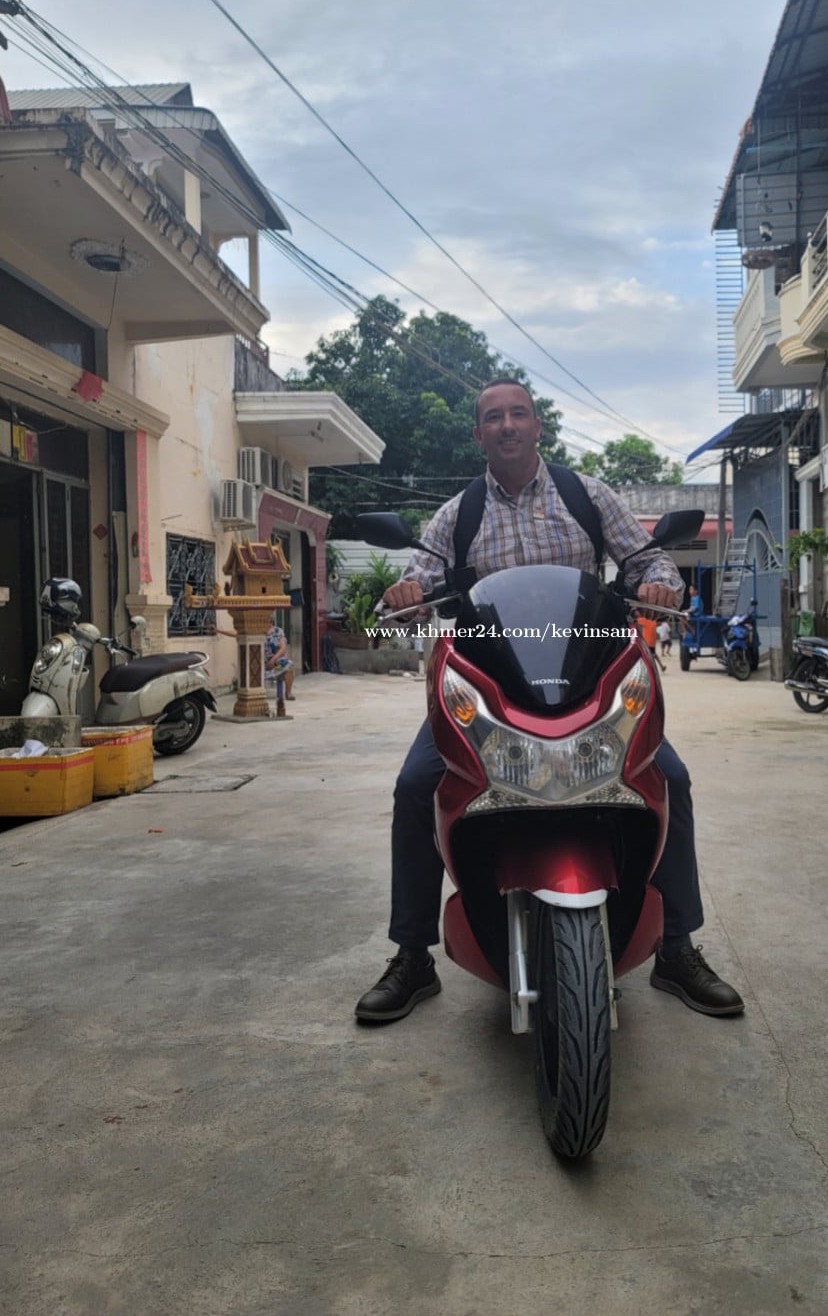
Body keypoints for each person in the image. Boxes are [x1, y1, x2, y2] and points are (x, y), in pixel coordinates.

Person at [354, 378, 743, 1023]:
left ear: (538, 426)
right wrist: (404, 596)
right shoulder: (457, 514)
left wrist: (661, 585)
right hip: (489, 688)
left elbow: (647, 560)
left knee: (667, 777)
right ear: (478, 434)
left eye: (519, 414)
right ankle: (413, 955)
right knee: (417, 785)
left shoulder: (587, 495)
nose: (507, 425)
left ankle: (676, 947)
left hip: (590, 676)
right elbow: (418, 579)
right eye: (493, 417)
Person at [264, 618, 295, 700]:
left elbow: (283, 648)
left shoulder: (278, 631)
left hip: (276, 659)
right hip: (261, 660)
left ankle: (288, 692)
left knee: (289, 665)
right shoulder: (257, 630)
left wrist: (273, 659)